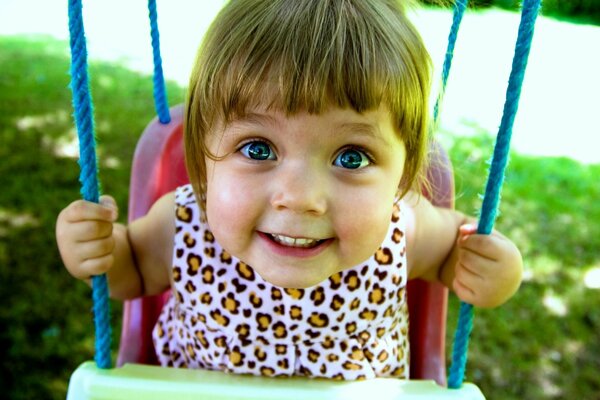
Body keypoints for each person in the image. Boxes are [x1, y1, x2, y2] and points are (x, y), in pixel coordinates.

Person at [56, 0, 522, 380]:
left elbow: (458, 253)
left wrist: (494, 270)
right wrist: (100, 250)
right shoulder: (183, 225)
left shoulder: (406, 230)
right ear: (202, 158)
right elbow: (132, 271)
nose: (299, 197)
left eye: (352, 157)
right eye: (258, 149)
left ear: (401, 178)